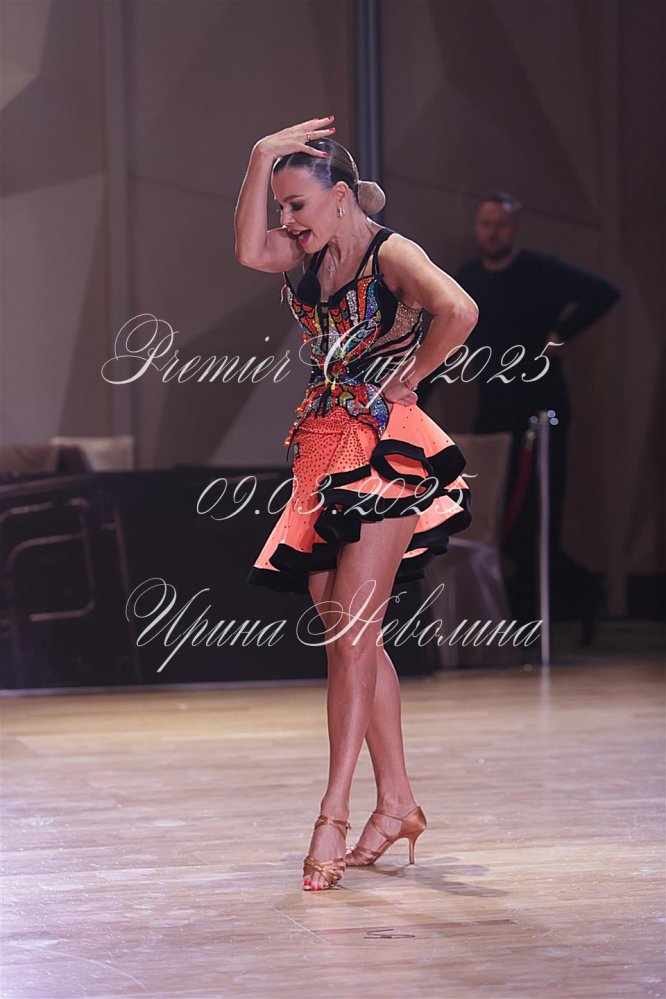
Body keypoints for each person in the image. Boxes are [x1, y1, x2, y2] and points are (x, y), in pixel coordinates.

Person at [234, 116, 478, 891]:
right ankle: (397, 801)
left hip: (386, 449)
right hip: (322, 449)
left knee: (350, 637)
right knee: (350, 636)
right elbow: (249, 249)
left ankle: (332, 813)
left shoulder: (391, 254)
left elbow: (460, 310)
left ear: (340, 197)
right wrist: (261, 155)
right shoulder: (303, 258)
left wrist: (414, 376)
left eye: (298, 205)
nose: (286, 220)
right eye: (282, 206)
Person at [419, 192, 621, 644]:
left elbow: (604, 293)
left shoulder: (541, 271)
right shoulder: (469, 279)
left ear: (515, 228)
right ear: (477, 228)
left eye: (502, 224)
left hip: (540, 414)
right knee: (494, 521)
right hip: (494, 411)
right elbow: (447, 339)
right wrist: (415, 395)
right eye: (486, 224)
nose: (494, 233)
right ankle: (573, 594)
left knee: (535, 520)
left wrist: (561, 334)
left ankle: (551, 612)